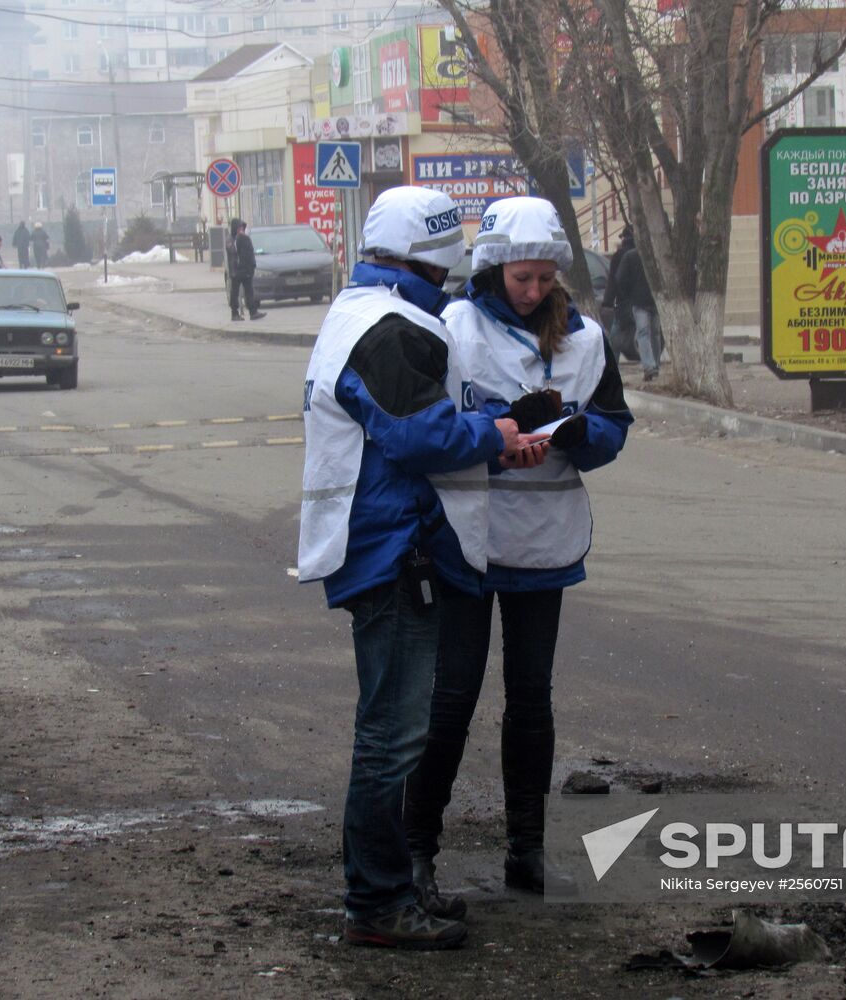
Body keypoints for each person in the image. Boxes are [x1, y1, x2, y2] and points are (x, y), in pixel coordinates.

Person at [297, 185, 542, 950]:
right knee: (390, 738)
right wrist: (493, 431)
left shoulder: (357, 311)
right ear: (433, 263)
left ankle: (388, 888)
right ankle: (375, 904)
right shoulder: (393, 327)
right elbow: (418, 438)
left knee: (389, 732)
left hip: (373, 543)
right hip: (390, 550)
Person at [404, 196, 632, 915]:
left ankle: (526, 854)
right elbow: (429, 424)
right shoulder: (450, 328)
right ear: (493, 268)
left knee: (531, 700)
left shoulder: (586, 340)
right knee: (450, 701)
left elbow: (614, 427)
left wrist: (576, 435)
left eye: (542, 280)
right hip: (465, 537)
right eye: (518, 278)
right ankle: (417, 856)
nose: (531, 292)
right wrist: (493, 431)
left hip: (543, 543)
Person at [615, 240, 661, 380]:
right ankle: (655, 365)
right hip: (656, 300)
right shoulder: (656, 255)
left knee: (643, 333)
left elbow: (620, 278)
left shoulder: (630, 256)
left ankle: (649, 366)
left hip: (639, 302)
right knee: (655, 334)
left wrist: (628, 296)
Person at [599, 224, 636, 361]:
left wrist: (607, 301)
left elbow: (613, 281)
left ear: (624, 238)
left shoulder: (619, 255)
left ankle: (612, 361)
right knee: (647, 334)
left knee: (616, 335)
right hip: (643, 301)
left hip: (623, 301)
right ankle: (651, 364)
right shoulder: (644, 254)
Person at [229, 219, 264, 320]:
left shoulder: (239, 238)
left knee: (247, 291)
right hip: (239, 270)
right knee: (237, 292)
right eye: (240, 227)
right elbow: (239, 254)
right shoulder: (237, 239)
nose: (241, 229)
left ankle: (251, 312)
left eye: (242, 228)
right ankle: (236, 313)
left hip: (241, 270)